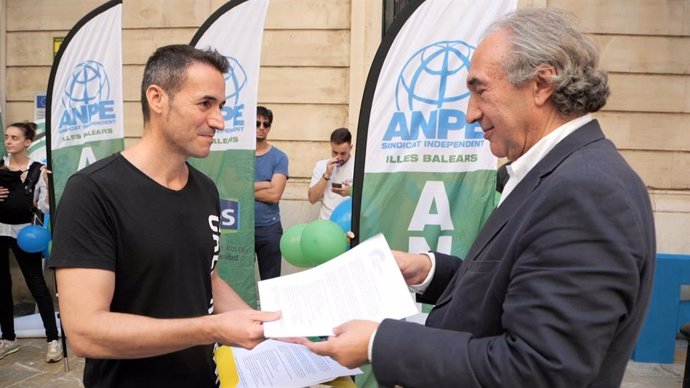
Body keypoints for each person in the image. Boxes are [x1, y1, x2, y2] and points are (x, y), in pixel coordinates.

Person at [303, 8, 656, 388]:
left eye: (480, 90)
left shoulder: (586, 191)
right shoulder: (560, 173)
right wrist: (427, 270)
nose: (470, 114)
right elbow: (510, 289)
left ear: (542, 84)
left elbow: (539, 370)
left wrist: (378, 342)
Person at [50, 45, 280, 388]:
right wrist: (211, 328)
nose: (219, 121)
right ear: (157, 98)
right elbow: (85, 333)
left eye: (221, 107)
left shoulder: (205, 189)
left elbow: (208, 278)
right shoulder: (93, 191)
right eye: (205, 104)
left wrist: (269, 326)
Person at [0, 121, 62, 363]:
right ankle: (8, 338)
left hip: (25, 233)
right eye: (6, 137)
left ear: (27, 142)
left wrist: (46, 186)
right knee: (1, 287)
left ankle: (52, 340)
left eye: (14, 137)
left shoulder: (37, 170)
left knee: (36, 283)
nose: (8, 141)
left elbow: (45, 207)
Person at [254, 105, 288, 280]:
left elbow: (274, 195)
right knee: (237, 282)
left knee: (271, 282)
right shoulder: (238, 156)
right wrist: (265, 184)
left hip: (269, 228)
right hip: (240, 227)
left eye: (266, 124)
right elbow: (231, 189)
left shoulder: (279, 157)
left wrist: (247, 187)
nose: (261, 127)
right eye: (257, 123)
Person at [307, 127, 354, 220]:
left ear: (350, 148)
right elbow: (312, 199)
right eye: (335, 152)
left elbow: (370, 198)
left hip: (348, 225)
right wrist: (326, 176)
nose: (338, 157)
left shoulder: (359, 167)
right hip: (326, 224)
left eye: (343, 153)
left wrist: (351, 192)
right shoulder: (321, 165)